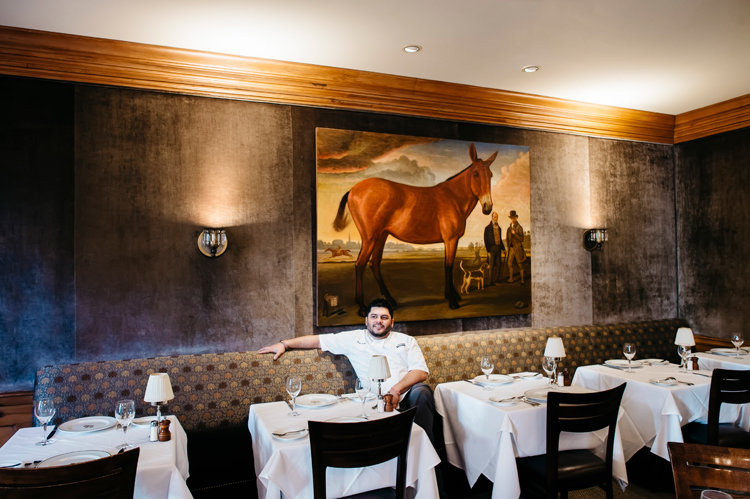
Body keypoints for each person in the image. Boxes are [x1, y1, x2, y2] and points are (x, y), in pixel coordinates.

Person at [258, 298, 436, 445]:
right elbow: (317, 340)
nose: (378, 321)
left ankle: (426, 449)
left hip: (407, 397)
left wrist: (396, 391)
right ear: (366, 320)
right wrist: (284, 344)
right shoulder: (353, 339)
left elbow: (420, 372)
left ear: (392, 321)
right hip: (372, 400)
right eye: (374, 316)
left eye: (384, 317)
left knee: (423, 391)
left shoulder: (406, 340)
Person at [483, 211, 505, 285]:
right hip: (492, 248)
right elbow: (485, 239)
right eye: (494, 217)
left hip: (498, 248)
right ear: (492, 217)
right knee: (491, 265)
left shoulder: (499, 228)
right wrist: (488, 249)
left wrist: (503, 248)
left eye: (497, 217)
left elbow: (500, 239)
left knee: (499, 264)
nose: (496, 218)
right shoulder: (488, 228)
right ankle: (490, 282)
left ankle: (497, 279)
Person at [506, 210, 526, 284]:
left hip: (518, 248)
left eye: (514, 218)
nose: (513, 219)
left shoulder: (519, 227)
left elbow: (522, 239)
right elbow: (507, 239)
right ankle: (511, 278)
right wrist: (507, 247)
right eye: (511, 218)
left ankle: (522, 280)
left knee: (520, 264)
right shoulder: (509, 228)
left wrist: (515, 234)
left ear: (516, 218)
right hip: (511, 249)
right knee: (509, 263)